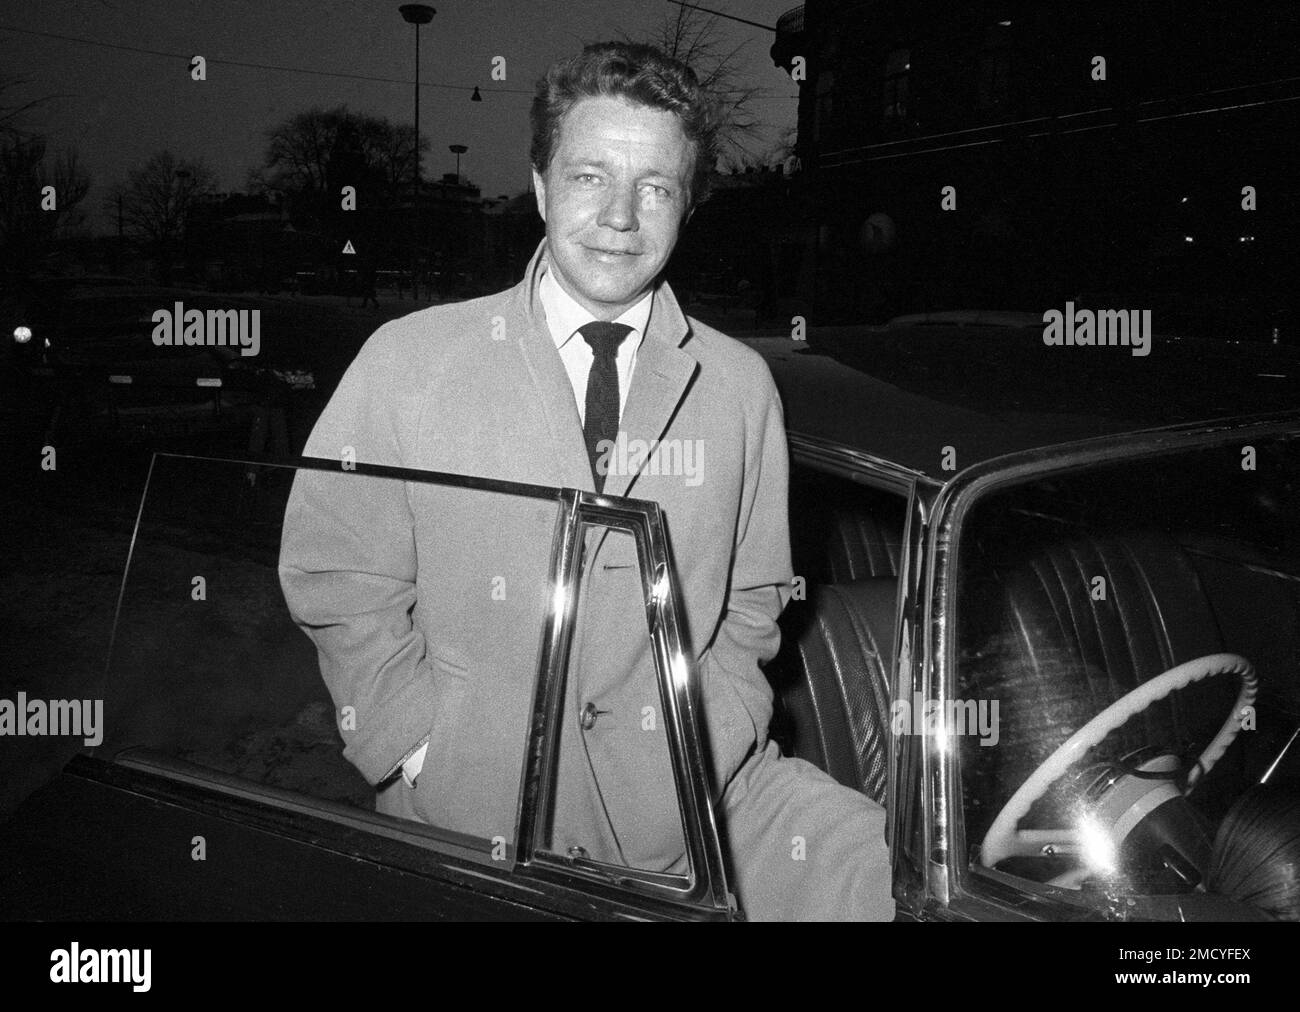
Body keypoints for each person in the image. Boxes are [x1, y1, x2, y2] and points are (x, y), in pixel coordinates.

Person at [278, 41, 892, 921]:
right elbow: (335, 575)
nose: (619, 217)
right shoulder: (409, 363)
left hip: (687, 814)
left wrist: (703, 747)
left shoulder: (739, 386)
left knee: (899, 880)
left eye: (655, 187)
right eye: (589, 177)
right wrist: (415, 747)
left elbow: (756, 600)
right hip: (468, 828)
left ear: (687, 205)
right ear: (538, 185)